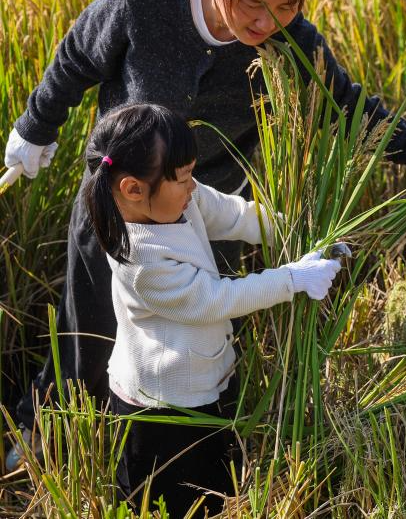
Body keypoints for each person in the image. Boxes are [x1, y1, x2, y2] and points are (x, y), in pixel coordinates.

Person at [2, 0, 406, 468]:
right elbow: (76, 59)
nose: (265, 23)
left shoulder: (290, 41)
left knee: (192, 350)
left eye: (285, 7)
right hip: (118, 214)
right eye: (253, 3)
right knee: (86, 340)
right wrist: (35, 127)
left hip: (209, 217)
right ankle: (44, 436)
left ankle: (163, 460)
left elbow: (348, 106)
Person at [80, 103, 344, 514]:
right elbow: (216, 299)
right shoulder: (142, 262)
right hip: (161, 408)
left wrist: (290, 229)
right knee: (170, 500)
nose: (193, 187)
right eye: (183, 179)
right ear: (133, 189)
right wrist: (293, 279)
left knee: (218, 485)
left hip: (204, 380)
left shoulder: (179, 200)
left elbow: (231, 212)